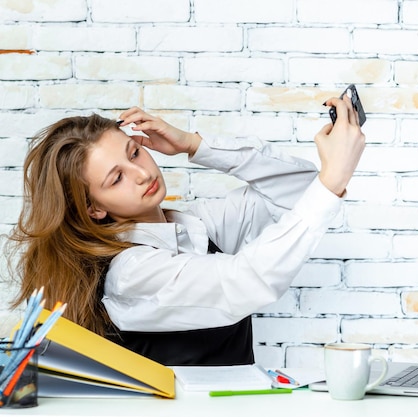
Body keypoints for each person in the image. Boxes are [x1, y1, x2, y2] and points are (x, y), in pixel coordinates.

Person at [5, 95, 365, 366]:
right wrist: (332, 180)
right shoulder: (130, 273)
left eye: (134, 154)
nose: (143, 173)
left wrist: (195, 145)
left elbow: (302, 188)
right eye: (116, 178)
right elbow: (248, 280)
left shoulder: (194, 224)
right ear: (93, 209)